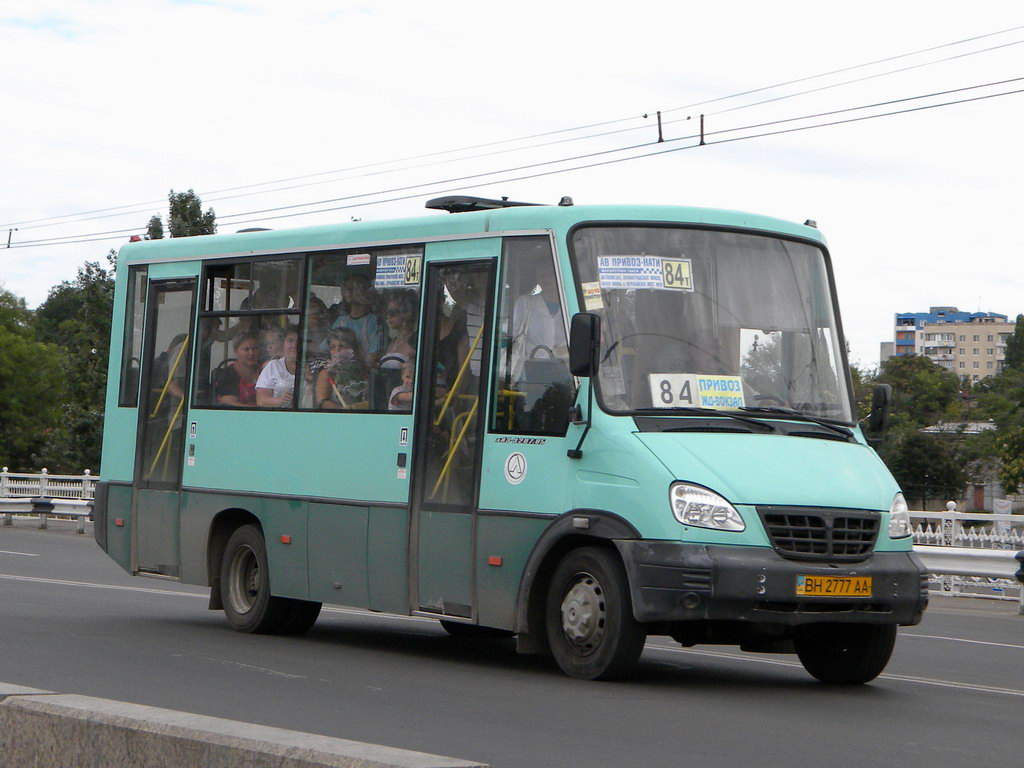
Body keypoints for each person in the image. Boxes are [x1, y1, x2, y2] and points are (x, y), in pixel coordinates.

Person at [330, 274, 385, 365]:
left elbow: (374, 355)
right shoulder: (340, 321)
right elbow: (326, 348)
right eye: (345, 288)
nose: (346, 291)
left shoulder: (373, 321)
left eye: (352, 288)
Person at [316, 328, 369, 409]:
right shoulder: (327, 373)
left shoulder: (363, 370)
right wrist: (342, 409)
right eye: (332, 347)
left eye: (342, 346)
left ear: (353, 348)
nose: (337, 350)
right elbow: (322, 402)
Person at [212, 333, 261, 407]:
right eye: (246, 349)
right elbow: (229, 403)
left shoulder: (266, 369)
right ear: (236, 351)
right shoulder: (228, 375)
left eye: (254, 349)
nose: (251, 353)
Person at [255, 327, 298, 408]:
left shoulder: (315, 366)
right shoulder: (273, 366)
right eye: (290, 341)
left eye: (300, 342)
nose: (295, 345)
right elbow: (261, 400)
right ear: (283, 344)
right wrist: (279, 400)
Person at [378, 290, 417, 369]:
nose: (388, 316)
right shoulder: (392, 342)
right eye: (386, 313)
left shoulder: (415, 342)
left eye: (392, 313)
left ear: (407, 312)